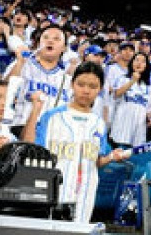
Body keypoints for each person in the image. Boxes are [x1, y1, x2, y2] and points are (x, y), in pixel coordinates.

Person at [24, 61, 127, 224]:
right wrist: (35, 110)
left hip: (85, 193)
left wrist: (112, 157)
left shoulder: (99, 124)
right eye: (81, 84)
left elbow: (95, 161)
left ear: (100, 89)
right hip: (53, 192)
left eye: (93, 86)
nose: (86, 90)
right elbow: (31, 149)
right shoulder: (52, 117)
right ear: (72, 84)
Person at [5, 24, 71, 136]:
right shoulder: (22, 64)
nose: (50, 41)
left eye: (56, 39)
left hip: (49, 135)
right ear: (39, 43)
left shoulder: (67, 80)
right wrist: (20, 63)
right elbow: (4, 90)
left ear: (64, 48)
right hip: (17, 129)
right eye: (45, 37)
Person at [110, 52, 151, 149]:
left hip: (139, 126)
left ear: (146, 66)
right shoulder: (122, 79)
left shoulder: (149, 87)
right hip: (123, 124)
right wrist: (132, 81)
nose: (139, 63)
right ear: (132, 63)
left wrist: (150, 118)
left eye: (143, 61)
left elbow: (149, 108)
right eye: (137, 60)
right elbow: (116, 94)